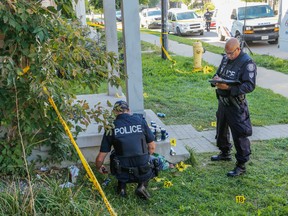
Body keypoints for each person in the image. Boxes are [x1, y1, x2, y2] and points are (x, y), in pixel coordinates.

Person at [210, 38, 257, 177]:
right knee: (221, 128)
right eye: (227, 53)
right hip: (223, 101)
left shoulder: (247, 63)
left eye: (231, 53)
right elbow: (218, 73)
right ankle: (224, 153)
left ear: (238, 49)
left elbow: (249, 85)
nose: (228, 56)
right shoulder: (225, 59)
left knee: (239, 134)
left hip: (236, 103)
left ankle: (241, 165)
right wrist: (215, 80)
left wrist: (229, 88)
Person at [95, 100, 159, 199]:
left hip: (122, 170)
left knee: (115, 155)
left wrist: (99, 167)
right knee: (154, 161)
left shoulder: (111, 127)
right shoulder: (140, 121)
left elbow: (100, 158)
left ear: (115, 112)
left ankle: (122, 189)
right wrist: (145, 157)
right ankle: (141, 186)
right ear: (129, 110)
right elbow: (152, 147)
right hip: (143, 168)